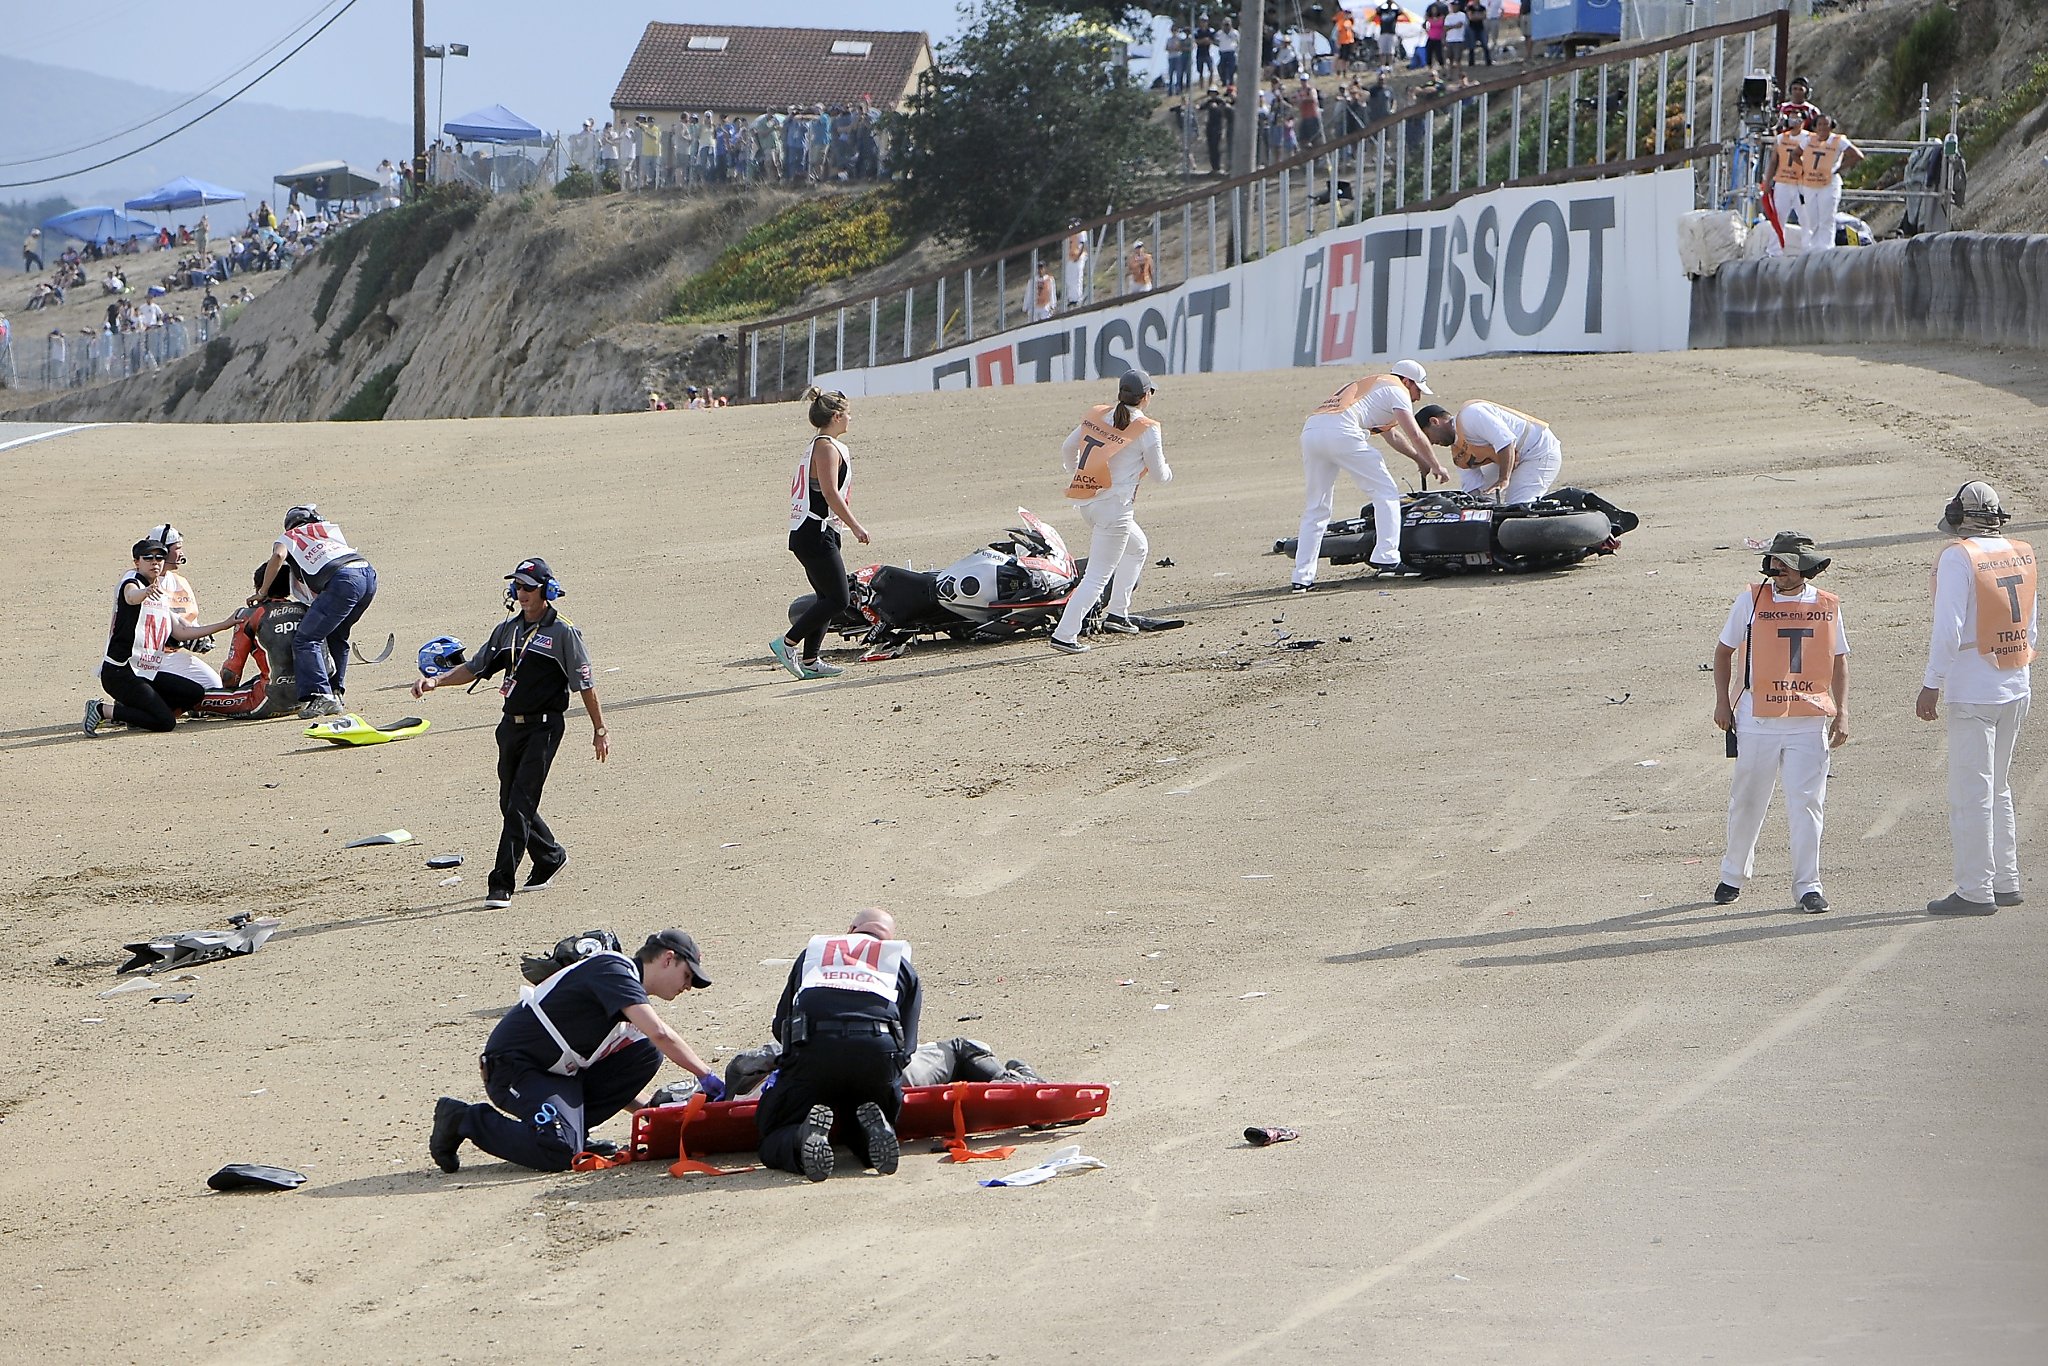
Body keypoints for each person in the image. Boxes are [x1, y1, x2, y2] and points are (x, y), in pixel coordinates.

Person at [430, 929, 721, 1174]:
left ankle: (572, 1131)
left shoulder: (627, 1009)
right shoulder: (613, 968)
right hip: (513, 1068)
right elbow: (660, 1033)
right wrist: (706, 1075)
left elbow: (616, 1084)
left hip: (555, 1075)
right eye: (687, 975)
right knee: (559, 1152)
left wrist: (655, 1116)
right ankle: (462, 1119)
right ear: (668, 959)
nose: (688, 986)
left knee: (644, 1053)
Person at [410, 558, 609, 909]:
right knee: (509, 802)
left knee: (520, 804)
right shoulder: (508, 630)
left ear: (546, 591)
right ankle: (549, 856)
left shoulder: (564, 632)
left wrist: (599, 728)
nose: (521, 593)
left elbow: (586, 684)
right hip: (510, 726)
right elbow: (474, 666)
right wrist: (436, 681)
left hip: (545, 727)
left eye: (528, 587)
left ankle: (501, 882)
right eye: (517, 586)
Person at [1710, 532, 1849, 913]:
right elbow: (1723, 652)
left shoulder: (1827, 605)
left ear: (1806, 567)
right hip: (1756, 719)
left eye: (1786, 564)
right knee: (1747, 801)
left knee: (1807, 804)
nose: (1778, 571)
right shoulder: (1751, 600)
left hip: (1809, 720)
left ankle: (1808, 885)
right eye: (1774, 563)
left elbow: (1838, 659)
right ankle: (1732, 875)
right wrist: (1723, 702)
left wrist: (1844, 710)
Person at [1918, 482, 2036, 915]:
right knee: (1999, 787)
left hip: (1973, 687)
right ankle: (2005, 880)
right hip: (2015, 681)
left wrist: (1933, 682)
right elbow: (2033, 626)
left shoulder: (1958, 557)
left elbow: (1947, 628)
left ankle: (1974, 890)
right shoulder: (2021, 551)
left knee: (1971, 793)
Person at [756, 909, 922, 1182]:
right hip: (876, 1050)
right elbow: (907, 1046)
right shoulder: (900, 963)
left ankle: (800, 1135)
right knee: (864, 1114)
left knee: (772, 1130)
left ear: (851, 928)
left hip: (815, 1049)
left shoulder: (813, 953)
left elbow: (781, 1026)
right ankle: (871, 1137)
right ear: (889, 938)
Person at [1048, 369, 1175, 654]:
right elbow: (1159, 474)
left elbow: (1068, 448)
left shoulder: (1098, 414)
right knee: (1096, 577)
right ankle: (1065, 634)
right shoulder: (1146, 427)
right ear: (1146, 396)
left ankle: (1118, 612)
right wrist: (1170, 475)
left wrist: (1078, 473)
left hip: (1088, 502)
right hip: (1115, 509)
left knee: (1138, 547)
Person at [1290, 359, 1445, 590]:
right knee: (1386, 493)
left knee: (1317, 508)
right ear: (1407, 381)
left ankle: (1301, 578)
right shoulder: (1397, 389)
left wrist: (1418, 459)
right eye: (1417, 390)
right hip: (1341, 432)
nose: (1417, 398)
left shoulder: (1373, 386)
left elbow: (1392, 435)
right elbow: (1414, 433)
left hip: (1312, 432)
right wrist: (1436, 465)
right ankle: (1388, 558)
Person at [83, 538, 245, 736]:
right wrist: (145, 591)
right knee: (166, 723)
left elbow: (181, 632)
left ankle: (140, 712)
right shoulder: (131, 581)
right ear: (137, 562)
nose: (155, 562)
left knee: (194, 692)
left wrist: (224, 624)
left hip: (146, 671)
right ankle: (103, 710)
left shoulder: (160, 593)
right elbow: (130, 596)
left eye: (159, 557)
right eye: (148, 558)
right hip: (120, 673)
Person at [772, 387, 869, 681]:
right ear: (837, 416)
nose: (850, 418)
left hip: (817, 530)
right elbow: (829, 492)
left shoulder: (822, 444)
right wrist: (855, 526)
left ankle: (811, 660)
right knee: (839, 599)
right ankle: (788, 644)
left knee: (825, 597)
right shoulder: (826, 447)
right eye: (848, 413)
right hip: (813, 531)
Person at [251, 504, 375, 718]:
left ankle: (321, 695)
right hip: (367, 575)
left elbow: (279, 557)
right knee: (337, 634)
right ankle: (335, 692)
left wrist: (262, 591)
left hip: (342, 580)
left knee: (306, 639)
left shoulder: (289, 537)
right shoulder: (326, 533)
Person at [195, 565, 313, 719]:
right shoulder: (307, 610)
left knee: (192, 697)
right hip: (306, 699)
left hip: (266, 702)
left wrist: (228, 693)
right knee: (261, 678)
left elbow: (231, 673)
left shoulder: (249, 615)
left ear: (259, 587)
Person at [1416, 399, 1564, 504]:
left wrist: (1503, 479)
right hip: (1510, 456)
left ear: (1435, 422)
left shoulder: (1471, 415)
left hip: (1538, 451)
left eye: (1427, 436)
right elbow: (1472, 489)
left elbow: (1506, 442)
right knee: (1485, 498)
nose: (1430, 443)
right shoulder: (1458, 454)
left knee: (1517, 505)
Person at [141, 523, 223, 690]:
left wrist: (199, 636)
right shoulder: (141, 582)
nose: (182, 553)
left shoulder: (180, 582)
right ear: (162, 550)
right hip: (146, 656)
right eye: (178, 548)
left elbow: (190, 619)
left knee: (213, 686)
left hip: (171, 655)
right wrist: (183, 636)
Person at [1798, 112, 1863, 254]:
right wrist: (1804, 168)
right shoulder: (1809, 140)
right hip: (1810, 182)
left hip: (1829, 183)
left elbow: (1857, 155)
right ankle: (1813, 248)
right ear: (1815, 127)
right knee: (1812, 217)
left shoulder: (1838, 140)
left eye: (1825, 125)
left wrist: (1837, 169)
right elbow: (1795, 154)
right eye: (1819, 124)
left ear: (1831, 126)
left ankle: (1826, 248)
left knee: (1826, 216)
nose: (1822, 128)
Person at [1062, 224, 1089, 313]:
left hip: (1079, 257)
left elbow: (1084, 244)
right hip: (1071, 257)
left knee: (1077, 277)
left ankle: (1077, 298)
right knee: (1069, 278)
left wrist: (1079, 255)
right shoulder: (1070, 233)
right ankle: (1071, 298)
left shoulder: (1081, 232)